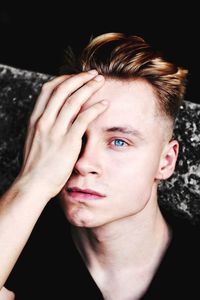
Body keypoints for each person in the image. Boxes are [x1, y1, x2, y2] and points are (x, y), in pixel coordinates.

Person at [0, 32, 199, 300]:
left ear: (165, 161)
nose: (83, 163)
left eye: (119, 142)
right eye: (74, 136)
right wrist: (32, 182)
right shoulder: (17, 251)